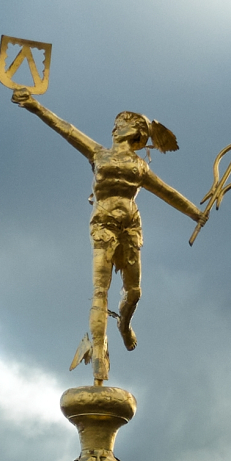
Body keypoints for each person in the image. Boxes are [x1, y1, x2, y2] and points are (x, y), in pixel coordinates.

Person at [12, 88, 206, 383]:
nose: (115, 127)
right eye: (116, 123)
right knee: (100, 291)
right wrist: (35, 106)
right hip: (103, 223)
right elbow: (66, 129)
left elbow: (168, 193)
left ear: (137, 132)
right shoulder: (98, 153)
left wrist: (195, 212)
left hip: (131, 226)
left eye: (123, 123)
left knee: (135, 291)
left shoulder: (140, 167)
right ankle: (99, 361)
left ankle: (124, 325)